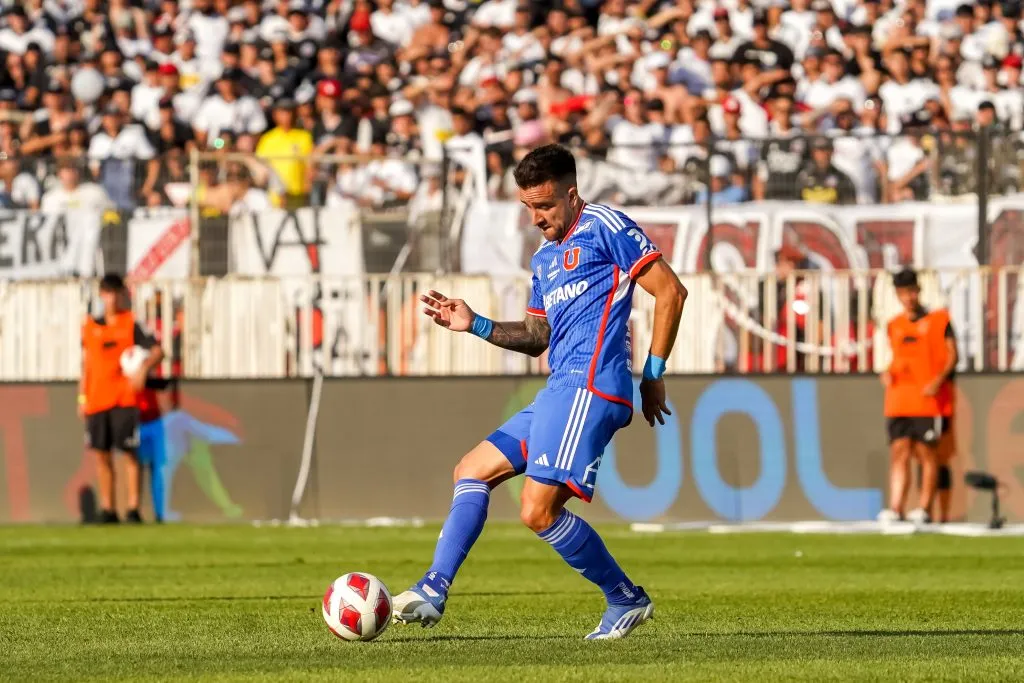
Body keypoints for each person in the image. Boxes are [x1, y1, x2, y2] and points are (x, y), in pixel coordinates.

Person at [392, 144, 688, 640]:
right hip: (558, 390)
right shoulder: (545, 257)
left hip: (592, 386)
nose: (537, 217)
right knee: (471, 469)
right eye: (528, 207)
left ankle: (625, 597)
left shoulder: (606, 226)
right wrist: (474, 324)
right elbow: (536, 338)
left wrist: (653, 374)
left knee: (536, 510)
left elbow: (671, 291)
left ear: (572, 195)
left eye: (545, 205)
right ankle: (432, 589)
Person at [79, 274, 165, 524]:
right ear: (101, 295)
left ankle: (133, 508)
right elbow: (86, 366)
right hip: (96, 399)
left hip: (125, 399)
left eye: (116, 293)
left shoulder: (131, 323)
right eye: (107, 293)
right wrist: (82, 397)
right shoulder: (90, 327)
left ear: (122, 295)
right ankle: (108, 509)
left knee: (129, 453)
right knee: (102, 455)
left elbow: (159, 351)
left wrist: (143, 369)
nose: (112, 298)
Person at [878, 268, 957, 525]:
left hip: (927, 400)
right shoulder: (894, 325)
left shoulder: (939, 320)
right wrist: (887, 374)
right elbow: (893, 360)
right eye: (903, 293)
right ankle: (896, 507)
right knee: (899, 451)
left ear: (918, 291)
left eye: (911, 291)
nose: (908, 297)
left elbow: (951, 355)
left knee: (926, 453)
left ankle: (924, 508)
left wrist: (937, 381)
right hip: (899, 399)